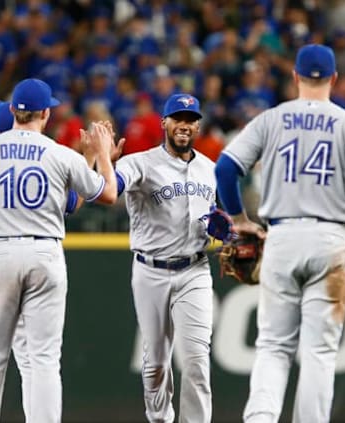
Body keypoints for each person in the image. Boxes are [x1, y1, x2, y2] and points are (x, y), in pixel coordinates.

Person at [215, 44, 345, 423]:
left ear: (295, 77)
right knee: (319, 351)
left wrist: (239, 220)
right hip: (331, 242)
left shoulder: (272, 119)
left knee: (273, 346)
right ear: (334, 79)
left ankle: (260, 418)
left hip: (282, 238)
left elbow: (225, 170)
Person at [0, 78, 117, 422]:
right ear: (45, 113)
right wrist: (102, 154)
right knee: (44, 359)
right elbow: (108, 195)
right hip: (46, 254)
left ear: (13, 111)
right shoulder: (59, 152)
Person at [114, 93, 216, 422]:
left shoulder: (210, 170)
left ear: (197, 125)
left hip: (195, 270)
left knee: (197, 361)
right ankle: (159, 419)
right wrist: (104, 160)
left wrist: (225, 232)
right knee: (156, 363)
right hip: (151, 271)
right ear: (164, 123)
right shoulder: (139, 163)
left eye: (190, 120)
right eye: (178, 119)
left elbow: (218, 219)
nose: (184, 125)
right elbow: (110, 188)